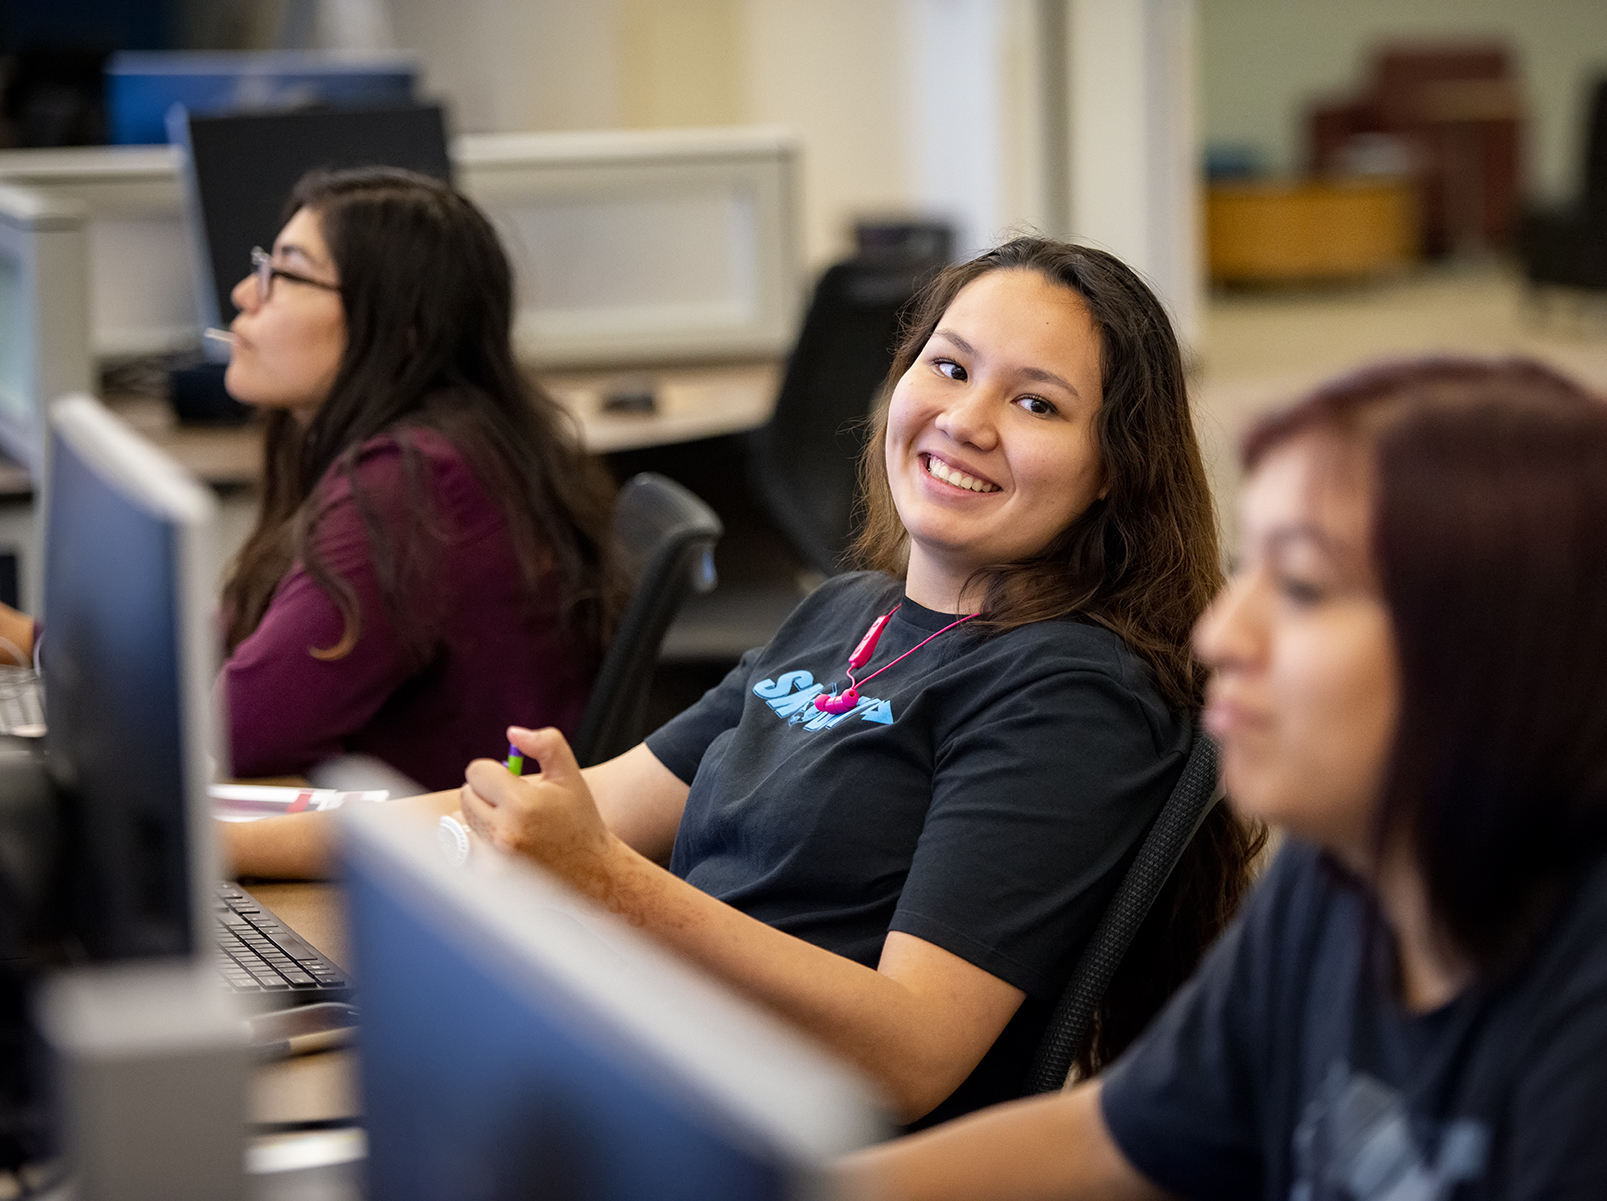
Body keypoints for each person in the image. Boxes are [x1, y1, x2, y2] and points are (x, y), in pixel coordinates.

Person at [225, 237, 1265, 1127]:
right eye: (948, 369)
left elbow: (912, 1051)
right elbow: (574, 808)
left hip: (757, 1133)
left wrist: (605, 882)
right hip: (647, 1054)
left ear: (1114, 466)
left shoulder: (1071, 694)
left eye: (1036, 402)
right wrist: (218, 841)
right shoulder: (848, 612)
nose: (968, 420)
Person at [838, 357, 1607, 1197]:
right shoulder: (1355, 863)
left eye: (1299, 586)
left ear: (1500, 647)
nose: (1221, 636)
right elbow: (1118, 1136)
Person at [20, 167, 621, 790]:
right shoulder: (449, 444)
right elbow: (242, 636)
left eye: (285, 274)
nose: (245, 295)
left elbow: (234, 736)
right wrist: (33, 641)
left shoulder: (410, 487)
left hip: (426, 862)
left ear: (400, 326)